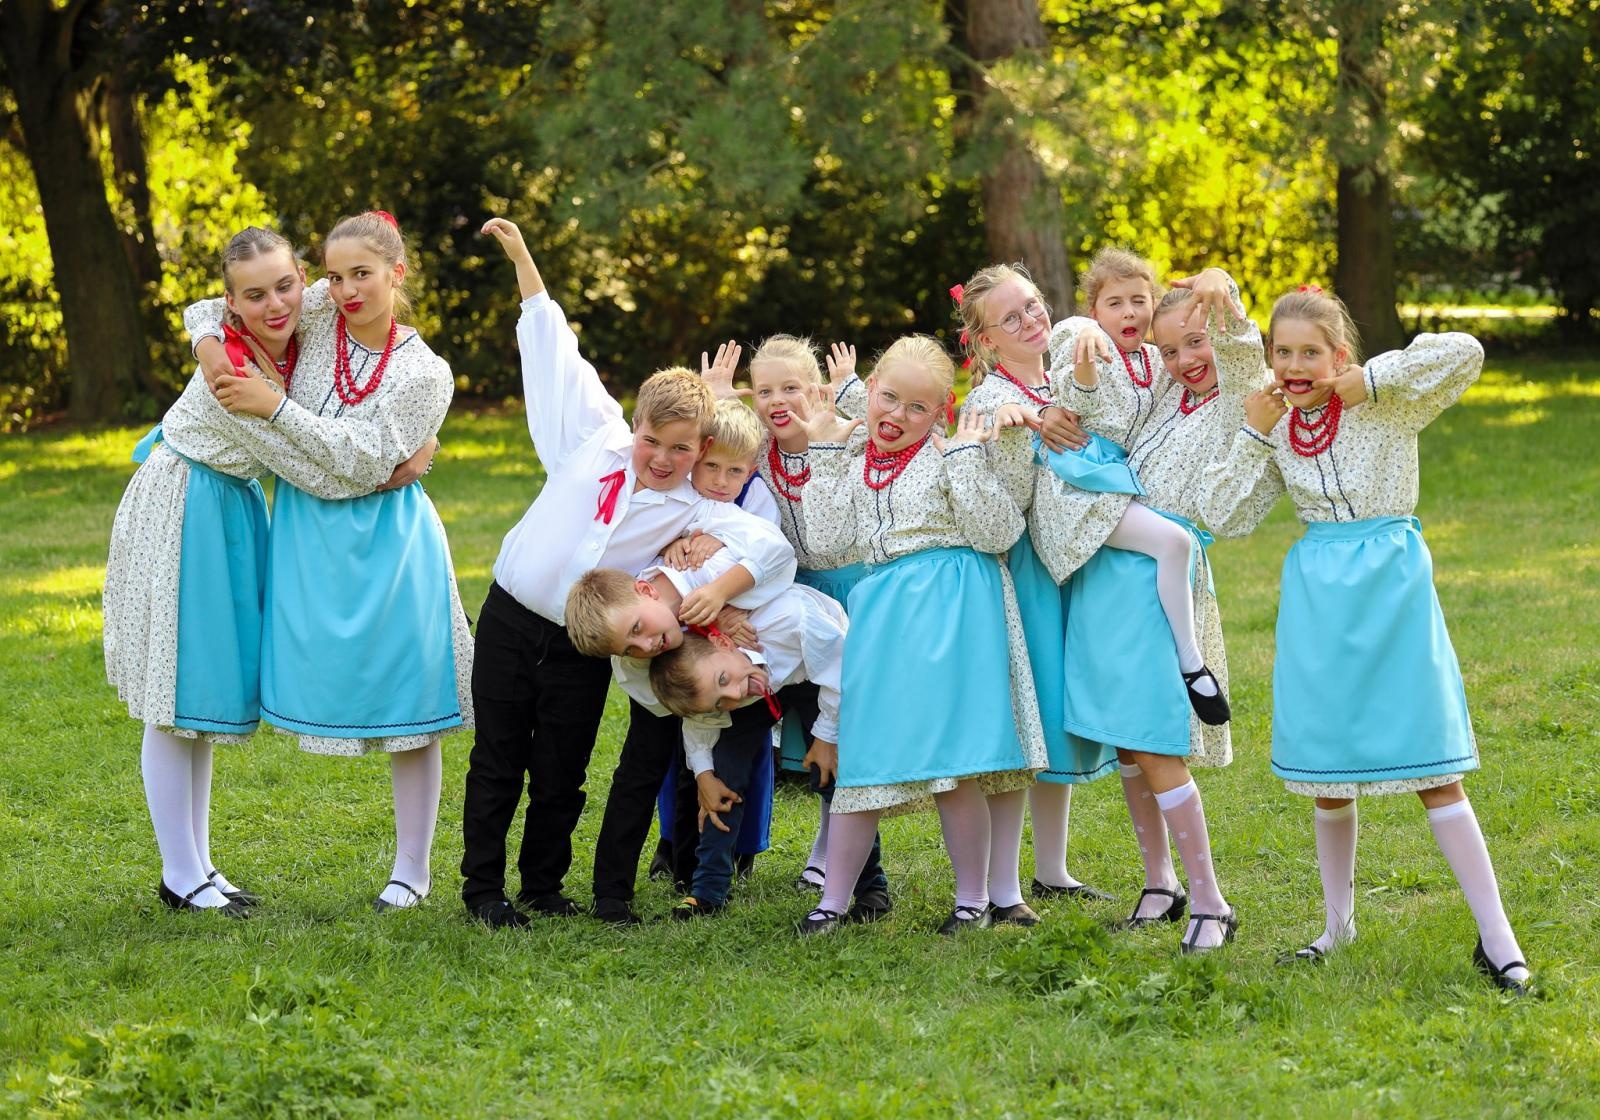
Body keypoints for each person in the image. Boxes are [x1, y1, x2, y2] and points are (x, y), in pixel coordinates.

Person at [461, 217, 794, 928]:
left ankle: (543, 885)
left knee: (562, 768)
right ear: (633, 424)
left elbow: (764, 547)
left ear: (701, 446)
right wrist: (523, 259)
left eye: (681, 449)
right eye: (651, 441)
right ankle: (482, 890)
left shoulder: (693, 508)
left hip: (588, 642)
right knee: (497, 760)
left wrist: (719, 582)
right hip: (512, 619)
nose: (662, 459)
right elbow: (556, 351)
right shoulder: (593, 438)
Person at [1201, 286, 1530, 992]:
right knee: (1329, 774)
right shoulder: (1279, 427)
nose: (1295, 366)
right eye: (1282, 353)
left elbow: (1465, 353)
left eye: (1310, 353)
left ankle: (1498, 937)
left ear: (1338, 355)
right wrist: (1253, 433)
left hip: (1391, 590)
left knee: (1435, 771)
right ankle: (1336, 926)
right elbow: (1223, 517)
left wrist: (1372, 379)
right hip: (1320, 601)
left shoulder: (1388, 403)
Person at [193, 211, 467, 913]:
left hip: (390, 542)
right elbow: (213, 305)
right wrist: (209, 346)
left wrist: (275, 409)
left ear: (397, 274)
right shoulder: (316, 314)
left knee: (410, 705)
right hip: (310, 537)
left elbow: (363, 459)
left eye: (363, 275)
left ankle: (412, 870)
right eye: (335, 276)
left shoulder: (425, 372)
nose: (346, 291)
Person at [1042, 267, 1262, 952]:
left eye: (1196, 343)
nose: (1184, 360)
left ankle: (1211, 903)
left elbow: (1242, 353)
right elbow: (1098, 391)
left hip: (1157, 587)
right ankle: (1160, 884)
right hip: (1110, 565)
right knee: (1128, 740)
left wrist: (1223, 293)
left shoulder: (1232, 398)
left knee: (1157, 741)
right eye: (1169, 350)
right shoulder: (1168, 392)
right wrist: (1053, 413)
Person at [796, 335, 1046, 934]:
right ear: (870, 389)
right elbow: (825, 543)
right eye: (889, 398)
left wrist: (964, 459)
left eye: (916, 407)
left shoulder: (950, 454)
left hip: (952, 608)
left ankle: (972, 901)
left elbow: (997, 534)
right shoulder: (850, 454)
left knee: (952, 763)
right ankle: (832, 901)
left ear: (940, 411)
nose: (897, 415)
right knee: (863, 754)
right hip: (883, 612)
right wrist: (824, 452)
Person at [107, 226, 310, 915]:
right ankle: (180, 872)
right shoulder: (233, 373)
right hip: (186, 499)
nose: (275, 304)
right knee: (177, 696)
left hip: (230, 504)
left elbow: (198, 310)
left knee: (202, 697)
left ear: (302, 279)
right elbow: (303, 463)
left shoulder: (302, 311)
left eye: (284, 285)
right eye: (254, 295)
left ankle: (197, 864)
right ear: (234, 303)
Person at [952, 264, 1118, 910]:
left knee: (1055, 716)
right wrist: (1024, 429)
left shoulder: (1059, 378)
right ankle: (1003, 886)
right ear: (986, 341)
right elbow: (1007, 503)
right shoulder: (991, 402)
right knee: (1024, 724)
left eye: (1032, 305)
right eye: (1010, 317)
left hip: (1065, 560)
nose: (1030, 320)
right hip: (1019, 567)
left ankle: (1053, 867)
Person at [1035, 248, 1231, 725]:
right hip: (1079, 481)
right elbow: (1078, 388)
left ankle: (1178, 663)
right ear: (1094, 311)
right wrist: (1085, 345)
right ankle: (1191, 662)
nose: (1128, 313)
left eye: (1139, 301)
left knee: (1172, 543)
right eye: (1114, 303)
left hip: (1116, 480)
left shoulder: (1156, 360)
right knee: (1174, 541)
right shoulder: (1082, 337)